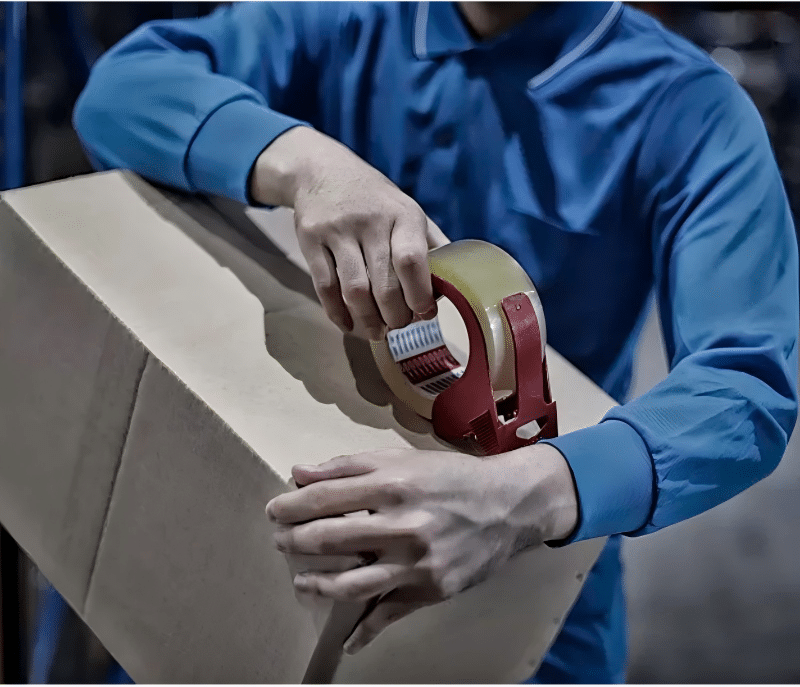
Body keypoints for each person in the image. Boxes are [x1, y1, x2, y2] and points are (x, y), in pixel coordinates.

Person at [73, 2, 799, 682]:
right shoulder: (343, 21)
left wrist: (530, 496)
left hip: (538, 566)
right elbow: (120, 90)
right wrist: (303, 161)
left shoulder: (689, 109)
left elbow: (747, 385)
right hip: (297, 524)